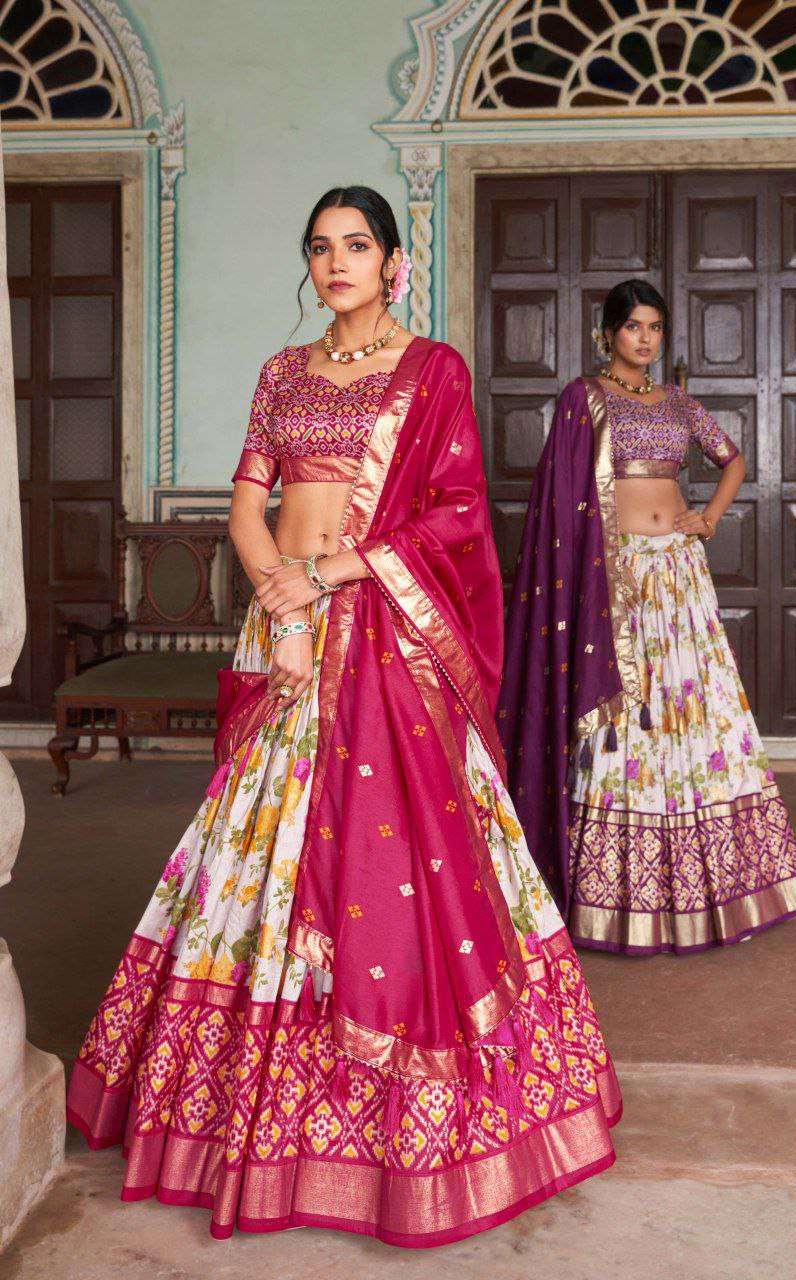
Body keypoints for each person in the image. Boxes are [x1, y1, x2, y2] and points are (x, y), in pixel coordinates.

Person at [66, 187, 621, 1245]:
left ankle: (409, 1115)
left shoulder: (432, 370)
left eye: (356, 245)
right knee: (256, 849)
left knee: (407, 853)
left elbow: (456, 513)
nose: (336, 263)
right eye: (320, 247)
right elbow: (248, 503)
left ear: (394, 263)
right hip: (285, 625)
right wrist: (282, 601)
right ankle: (249, 1111)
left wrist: (328, 575)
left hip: (383, 631)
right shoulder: (283, 371)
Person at [498, 279, 796, 956]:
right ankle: (612, 891)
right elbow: (561, 498)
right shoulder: (584, 399)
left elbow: (732, 461)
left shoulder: (678, 402)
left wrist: (707, 518)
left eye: (655, 327)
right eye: (633, 326)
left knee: (691, 712)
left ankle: (704, 884)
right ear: (608, 333)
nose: (645, 339)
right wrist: (593, 569)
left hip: (676, 576)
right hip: (613, 579)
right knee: (626, 716)